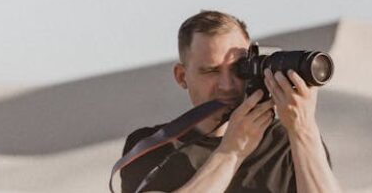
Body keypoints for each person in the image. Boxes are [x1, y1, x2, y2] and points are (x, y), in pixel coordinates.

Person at [120, 10, 343, 192]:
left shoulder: (285, 142)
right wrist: (231, 151)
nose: (227, 85)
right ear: (181, 76)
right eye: (211, 71)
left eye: (238, 69)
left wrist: (304, 131)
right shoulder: (152, 147)